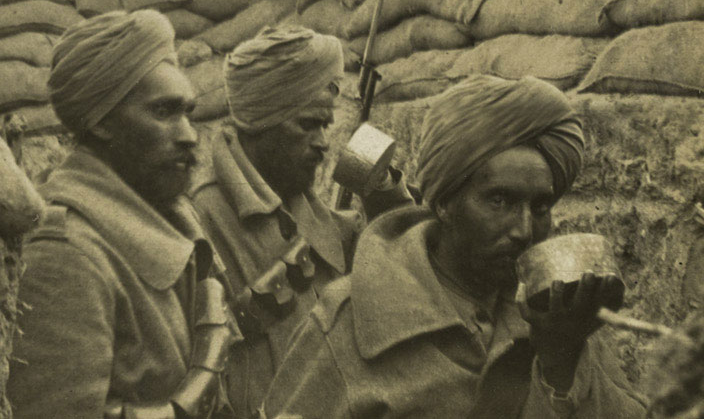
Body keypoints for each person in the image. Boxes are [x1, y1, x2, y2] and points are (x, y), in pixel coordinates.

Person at [262, 75, 647, 418]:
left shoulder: (562, 315)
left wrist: (561, 363)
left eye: (541, 207)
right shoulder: (351, 320)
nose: (524, 230)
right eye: (499, 201)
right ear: (444, 203)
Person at [6, 10, 240, 419]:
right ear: (101, 124)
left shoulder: (172, 218)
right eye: (163, 113)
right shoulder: (66, 256)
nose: (188, 135)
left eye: (188, 112)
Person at [188, 25, 412, 418]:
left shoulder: (302, 199)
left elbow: (391, 253)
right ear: (262, 123)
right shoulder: (202, 218)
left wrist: (382, 186)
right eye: (308, 125)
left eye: (325, 126)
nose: (324, 142)